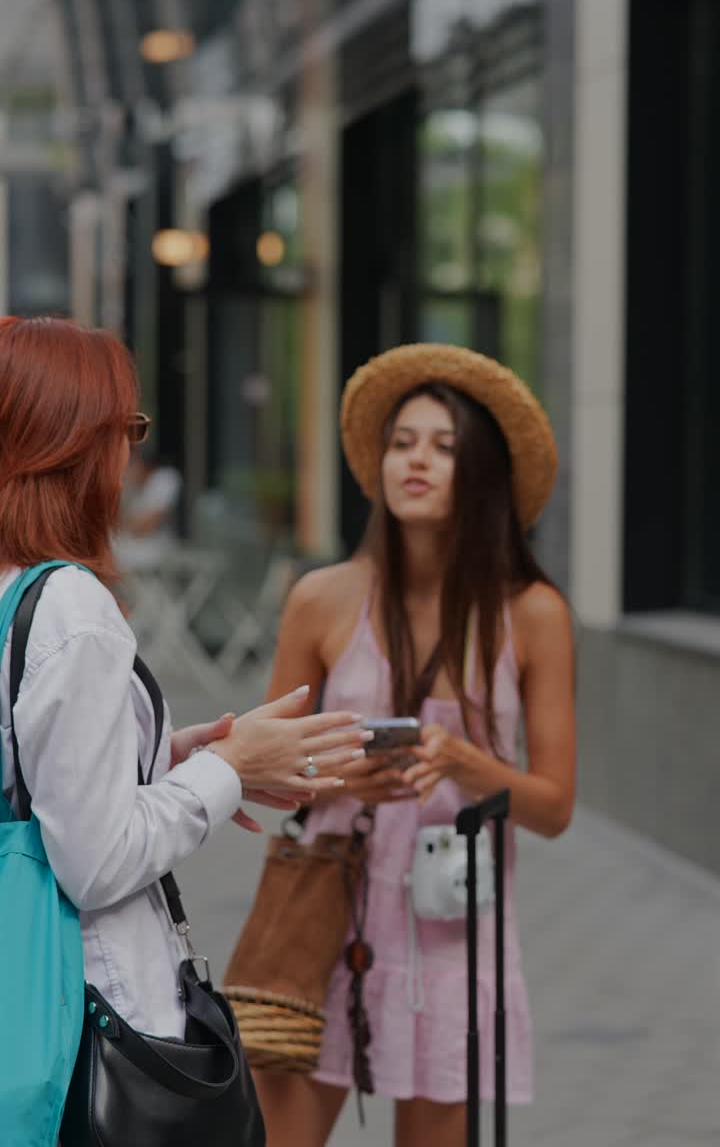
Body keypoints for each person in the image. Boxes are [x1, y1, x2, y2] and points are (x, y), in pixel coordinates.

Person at [0, 316, 370, 1064]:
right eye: (126, 428)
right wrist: (225, 773)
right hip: (82, 1012)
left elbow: (26, 774)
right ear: (75, 439)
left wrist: (163, 758)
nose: (129, 454)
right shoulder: (70, 608)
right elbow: (98, 863)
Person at [252, 344, 576, 1147]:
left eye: (443, 445)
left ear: (486, 473)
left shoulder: (532, 613)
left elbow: (554, 809)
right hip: (325, 915)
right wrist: (342, 780)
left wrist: (466, 764)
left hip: (454, 930)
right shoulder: (322, 599)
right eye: (402, 443)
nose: (416, 462)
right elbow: (259, 773)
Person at [115, 448, 182, 571]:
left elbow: (144, 527)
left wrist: (129, 523)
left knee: (109, 556)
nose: (128, 470)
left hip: (157, 546)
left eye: (131, 465)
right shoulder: (135, 486)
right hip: (135, 544)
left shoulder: (165, 479)